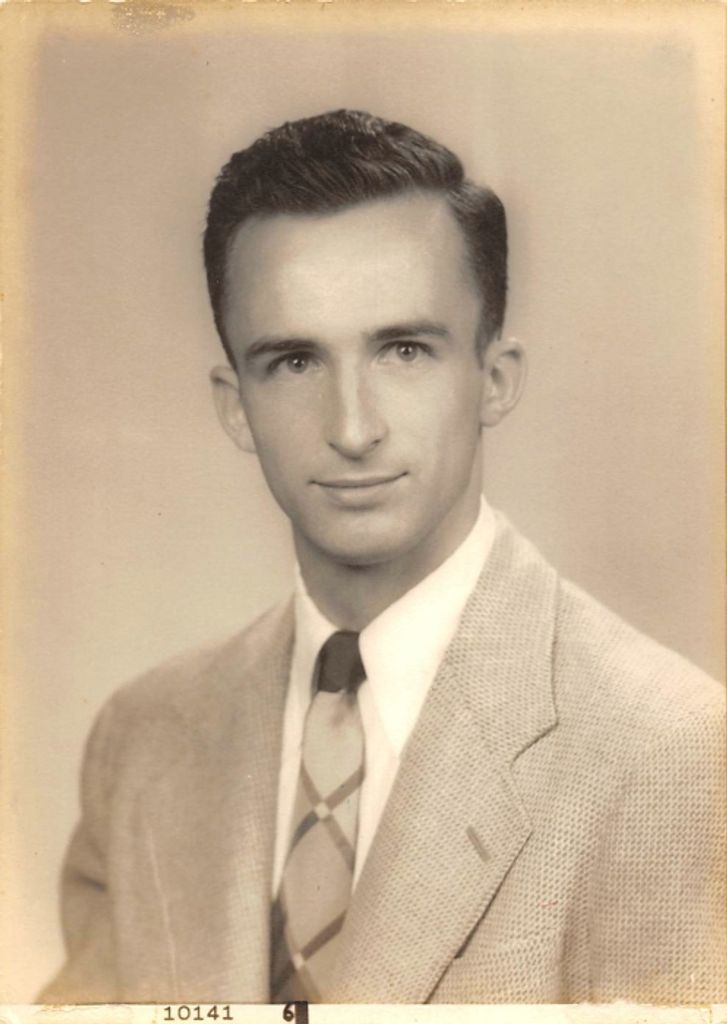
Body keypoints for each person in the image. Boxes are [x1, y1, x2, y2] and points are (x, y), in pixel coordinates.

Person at [42, 109, 725, 1005]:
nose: (353, 428)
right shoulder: (141, 740)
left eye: (403, 350)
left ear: (493, 380)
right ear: (235, 406)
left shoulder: (671, 754)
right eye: (293, 361)